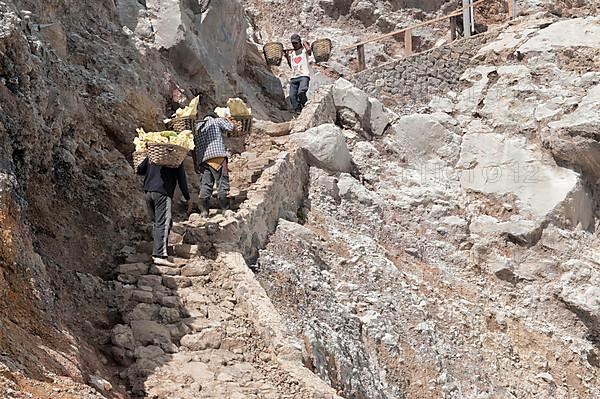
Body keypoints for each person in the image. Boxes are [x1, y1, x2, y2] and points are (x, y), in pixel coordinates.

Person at [136, 157, 192, 267]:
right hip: (162, 192)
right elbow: (181, 178)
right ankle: (159, 255)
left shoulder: (153, 154)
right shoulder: (175, 158)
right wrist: (188, 198)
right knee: (163, 223)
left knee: (156, 223)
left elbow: (139, 170)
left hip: (148, 192)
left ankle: (158, 251)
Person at [192, 112, 235, 217]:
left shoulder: (197, 127)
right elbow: (230, 128)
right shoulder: (216, 121)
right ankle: (225, 209)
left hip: (203, 160)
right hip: (218, 157)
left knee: (205, 185)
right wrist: (227, 119)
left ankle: (204, 211)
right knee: (222, 182)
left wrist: (196, 163)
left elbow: (193, 148)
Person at [284, 33, 312, 113]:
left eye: (296, 43)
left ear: (299, 42)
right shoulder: (292, 53)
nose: (294, 45)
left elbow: (309, 51)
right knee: (292, 96)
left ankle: (306, 106)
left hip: (304, 76)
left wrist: (305, 43)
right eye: (293, 43)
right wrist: (287, 57)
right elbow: (292, 66)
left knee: (301, 92)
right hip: (294, 77)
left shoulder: (304, 51)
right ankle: (298, 110)